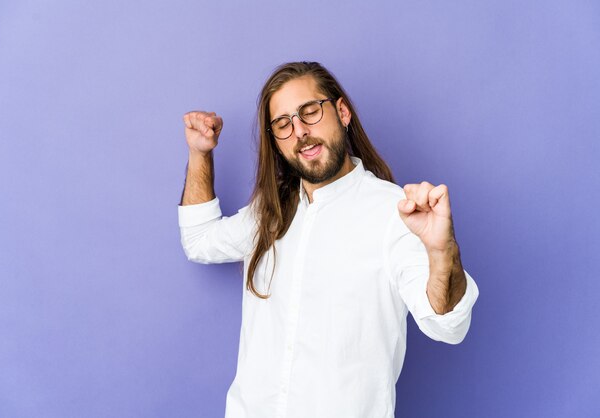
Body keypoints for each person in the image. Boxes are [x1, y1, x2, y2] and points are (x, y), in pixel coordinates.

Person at [178, 61, 479, 418]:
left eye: (309, 112)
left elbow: (449, 325)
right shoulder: (269, 212)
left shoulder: (395, 213)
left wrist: (441, 249)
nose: (300, 131)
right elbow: (199, 239)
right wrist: (200, 153)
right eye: (283, 124)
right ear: (275, 140)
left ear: (342, 112)